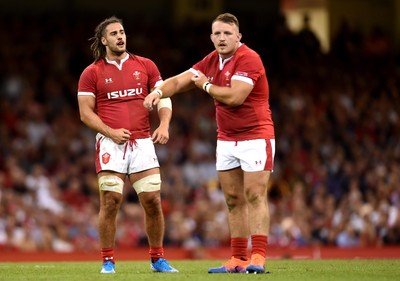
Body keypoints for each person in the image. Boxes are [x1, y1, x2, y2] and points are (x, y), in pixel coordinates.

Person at [144, 13, 275, 274]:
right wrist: (158, 91)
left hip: (256, 136)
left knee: (254, 195)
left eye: (227, 33)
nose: (222, 38)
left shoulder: (249, 58)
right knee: (233, 199)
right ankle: (238, 259)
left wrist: (205, 86)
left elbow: (236, 97)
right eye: (217, 33)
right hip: (226, 139)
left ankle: (258, 258)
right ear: (211, 37)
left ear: (239, 36)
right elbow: (181, 80)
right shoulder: (212, 60)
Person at [77, 16, 178, 274]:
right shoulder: (92, 73)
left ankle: (157, 259)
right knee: (110, 201)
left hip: (143, 141)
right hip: (111, 144)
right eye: (114, 33)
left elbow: (163, 97)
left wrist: (164, 125)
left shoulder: (145, 65)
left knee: (152, 200)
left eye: (122, 32)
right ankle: (108, 261)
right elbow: (85, 114)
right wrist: (110, 131)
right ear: (104, 40)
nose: (120, 37)